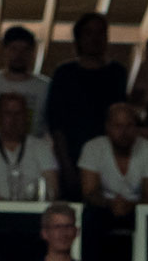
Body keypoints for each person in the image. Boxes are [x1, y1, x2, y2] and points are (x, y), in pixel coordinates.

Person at [46, 12, 128, 199]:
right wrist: (66, 165)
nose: (95, 38)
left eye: (100, 33)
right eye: (89, 33)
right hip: (73, 155)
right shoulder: (64, 74)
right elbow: (56, 125)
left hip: (110, 158)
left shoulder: (117, 73)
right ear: (78, 39)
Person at [0, 91, 58, 202]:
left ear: (26, 116)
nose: (14, 119)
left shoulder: (42, 147)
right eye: (8, 113)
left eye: (18, 113)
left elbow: (52, 188)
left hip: (31, 208)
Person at [78, 103, 148, 216]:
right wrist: (111, 204)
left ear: (136, 127)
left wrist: (130, 206)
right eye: (118, 126)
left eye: (129, 125)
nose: (124, 132)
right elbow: (89, 192)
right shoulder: (92, 148)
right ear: (107, 127)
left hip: (139, 211)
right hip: (101, 210)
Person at [0, 26, 50, 138]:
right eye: (14, 49)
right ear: (4, 51)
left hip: (33, 147)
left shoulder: (45, 87)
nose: (19, 55)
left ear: (32, 53)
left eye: (25, 50)